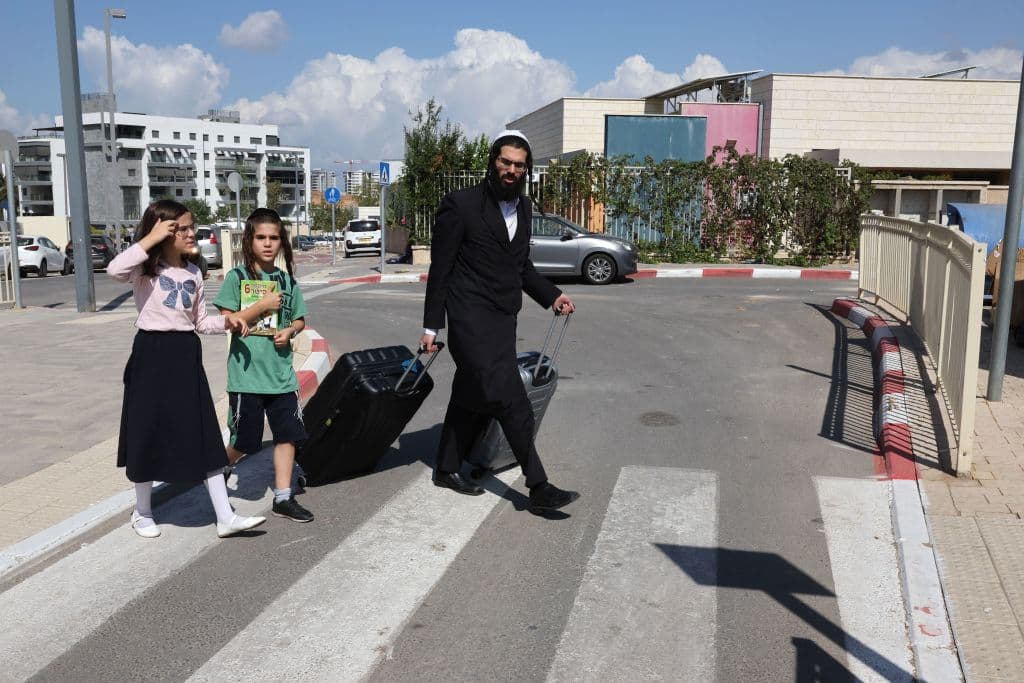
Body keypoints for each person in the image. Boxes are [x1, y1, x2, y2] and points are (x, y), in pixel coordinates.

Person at [420, 129, 580, 514]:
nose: (511, 170)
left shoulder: (523, 208)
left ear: (526, 170)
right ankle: (538, 485)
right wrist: (431, 326)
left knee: (470, 395)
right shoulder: (460, 205)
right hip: (469, 321)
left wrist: (551, 295)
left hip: (502, 319)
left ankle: (446, 468)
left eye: (519, 165)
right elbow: (441, 270)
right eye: (505, 162)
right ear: (493, 162)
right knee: (510, 397)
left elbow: (520, 266)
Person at [109, 199, 266, 539]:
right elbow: (114, 270)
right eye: (182, 228)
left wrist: (229, 322)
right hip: (151, 353)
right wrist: (150, 239)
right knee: (146, 431)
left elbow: (200, 322)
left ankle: (225, 516)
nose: (192, 233)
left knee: (203, 431)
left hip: (185, 354)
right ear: (163, 232)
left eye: (191, 226)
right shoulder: (145, 269)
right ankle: (142, 511)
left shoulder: (194, 271)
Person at [214, 208, 313, 523]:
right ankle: (217, 469)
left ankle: (283, 497)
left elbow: (299, 319)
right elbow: (227, 320)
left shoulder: (286, 280)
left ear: (282, 241)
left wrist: (290, 330)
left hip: (281, 376)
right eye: (261, 237)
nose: (268, 244)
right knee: (245, 441)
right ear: (249, 240)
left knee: (288, 435)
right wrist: (261, 306)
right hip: (247, 378)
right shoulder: (237, 278)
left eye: (274, 238)